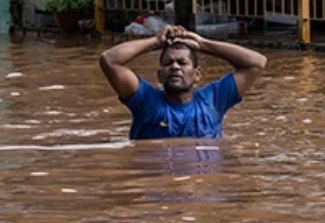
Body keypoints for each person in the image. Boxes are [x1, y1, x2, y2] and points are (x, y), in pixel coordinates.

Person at [98, 25, 268, 140]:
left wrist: (203, 44)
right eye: (168, 63)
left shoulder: (214, 100)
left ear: (197, 75)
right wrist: (155, 41)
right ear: (159, 75)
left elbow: (257, 62)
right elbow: (109, 60)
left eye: (182, 63)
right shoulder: (146, 101)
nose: (175, 67)